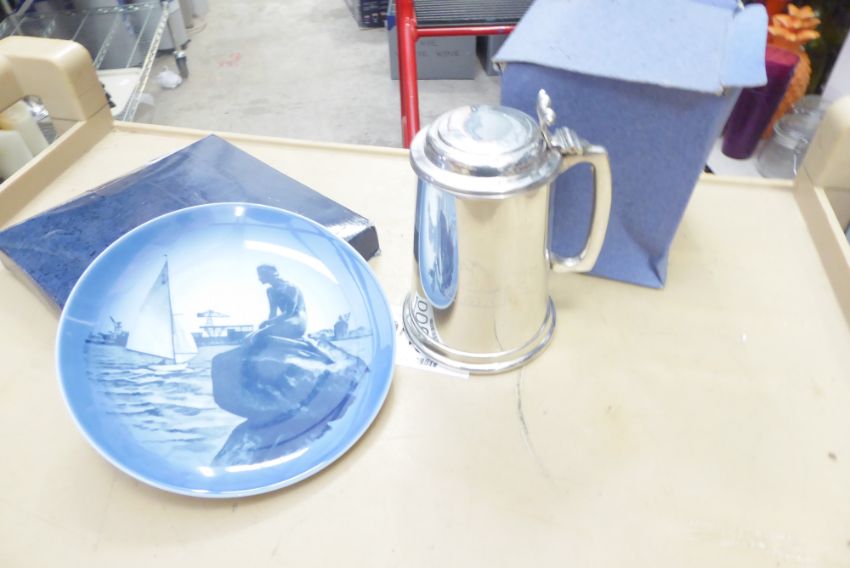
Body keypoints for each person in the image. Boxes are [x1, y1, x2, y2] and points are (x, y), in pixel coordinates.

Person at [254, 264, 307, 341]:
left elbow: (289, 312)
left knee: (261, 334)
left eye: (260, 275)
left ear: (269, 274)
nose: (259, 278)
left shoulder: (290, 287)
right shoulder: (270, 291)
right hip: (284, 321)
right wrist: (268, 325)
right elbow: (272, 313)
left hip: (297, 321)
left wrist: (268, 322)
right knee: (256, 335)